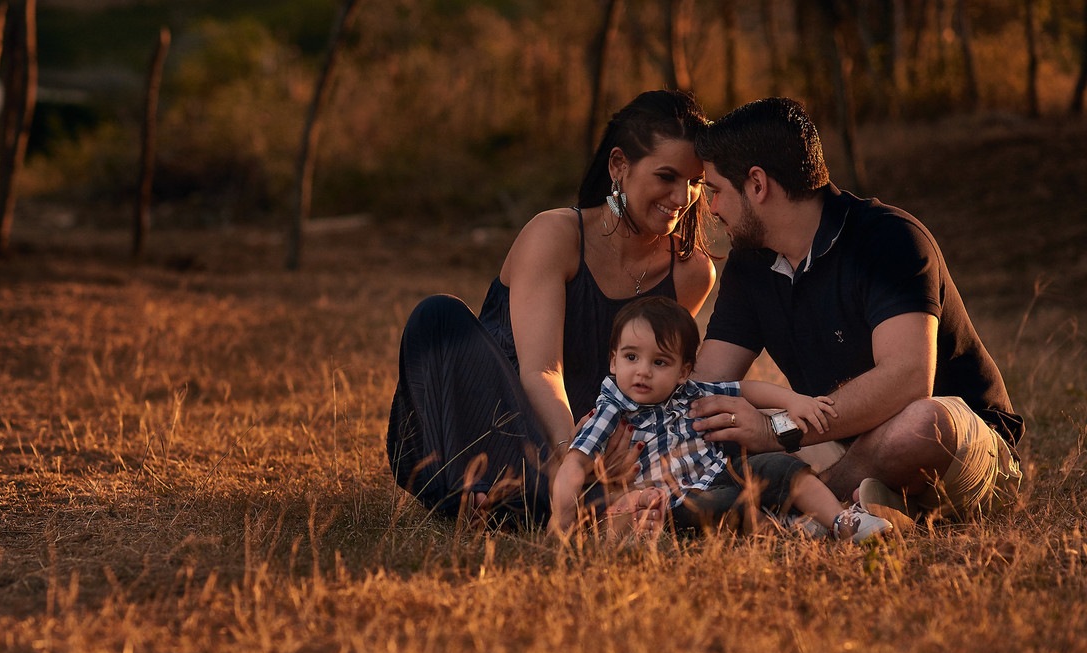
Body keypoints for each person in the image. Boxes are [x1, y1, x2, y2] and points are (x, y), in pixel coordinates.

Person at [387, 90, 716, 525]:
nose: (681, 196)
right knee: (436, 318)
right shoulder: (556, 235)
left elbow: (653, 379)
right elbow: (541, 371)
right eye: (667, 177)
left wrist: (619, 456)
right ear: (619, 166)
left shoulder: (691, 271)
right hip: (481, 429)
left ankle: (540, 506)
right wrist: (573, 461)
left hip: (590, 452)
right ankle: (557, 502)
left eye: (695, 182)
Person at [688, 97, 1024, 521]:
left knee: (918, 426)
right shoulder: (750, 263)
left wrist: (776, 431)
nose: (712, 208)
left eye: (716, 191)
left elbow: (907, 379)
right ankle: (870, 505)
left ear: (757, 184)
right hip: (842, 439)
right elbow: (705, 390)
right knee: (727, 423)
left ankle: (806, 506)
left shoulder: (888, 239)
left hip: (956, 447)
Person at [550, 296, 892, 542]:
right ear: (613, 362)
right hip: (677, 500)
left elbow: (746, 389)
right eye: (631, 357)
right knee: (723, 506)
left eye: (659, 362)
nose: (643, 371)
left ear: (683, 371)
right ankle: (786, 527)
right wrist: (560, 520)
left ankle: (843, 521)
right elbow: (574, 466)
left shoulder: (690, 392)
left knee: (778, 465)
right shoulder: (611, 409)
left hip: (722, 472)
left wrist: (792, 400)